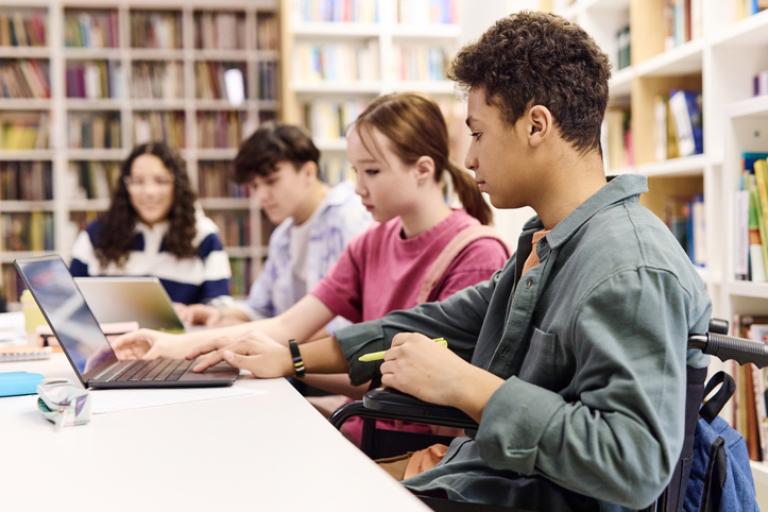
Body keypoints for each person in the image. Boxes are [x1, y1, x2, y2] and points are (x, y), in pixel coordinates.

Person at [124, 12, 713, 511]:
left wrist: (466, 386)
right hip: (473, 478)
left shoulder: (628, 267)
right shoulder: (551, 240)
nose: (471, 156)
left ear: (536, 124)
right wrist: (295, 356)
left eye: (479, 134)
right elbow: (432, 322)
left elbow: (634, 464)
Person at [114, 92, 510, 403]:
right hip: (363, 418)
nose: (358, 188)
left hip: (404, 445)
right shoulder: (371, 241)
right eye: (356, 171)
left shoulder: (474, 254)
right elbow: (287, 324)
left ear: (423, 170)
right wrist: (174, 344)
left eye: (371, 171)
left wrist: (291, 364)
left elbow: (433, 388)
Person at [176, 122, 371, 329]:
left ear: (308, 172)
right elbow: (259, 307)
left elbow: (349, 323)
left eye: (271, 181)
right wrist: (218, 313)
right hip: (290, 351)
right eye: (254, 186)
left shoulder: (349, 216)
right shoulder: (282, 236)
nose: (261, 196)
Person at [70, 142, 231, 306]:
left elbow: (220, 306)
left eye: (161, 181)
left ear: (177, 185)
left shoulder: (203, 235)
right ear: (126, 187)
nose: (149, 192)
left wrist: (198, 314)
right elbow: (69, 303)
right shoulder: (95, 234)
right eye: (138, 181)